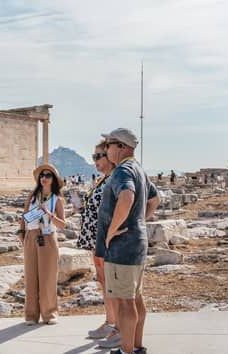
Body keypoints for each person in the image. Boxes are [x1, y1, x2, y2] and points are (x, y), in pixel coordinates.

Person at [95, 128, 160, 354]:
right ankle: (136, 346)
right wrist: (139, 220)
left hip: (122, 247)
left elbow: (127, 196)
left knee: (125, 301)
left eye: (109, 144)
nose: (106, 149)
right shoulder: (138, 169)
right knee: (135, 298)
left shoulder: (123, 170)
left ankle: (126, 351)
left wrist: (112, 230)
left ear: (122, 147)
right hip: (136, 243)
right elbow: (155, 199)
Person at [77, 140, 119, 344]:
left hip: (107, 241)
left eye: (98, 156)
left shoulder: (115, 179)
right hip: (95, 241)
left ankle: (118, 326)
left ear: (110, 156)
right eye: (93, 157)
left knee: (112, 284)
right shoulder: (103, 180)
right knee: (104, 283)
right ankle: (110, 321)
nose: (94, 160)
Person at [17, 164, 66, 325]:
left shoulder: (57, 199)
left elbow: (62, 225)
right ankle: (31, 315)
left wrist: (48, 214)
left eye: (48, 175)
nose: (44, 178)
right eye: (42, 175)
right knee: (31, 277)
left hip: (48, 237)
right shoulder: (32, 196)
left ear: (54, 180)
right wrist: (21, 234)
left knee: (48, 278)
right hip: (31, 237)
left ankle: (49, 313)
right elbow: (24, 216)